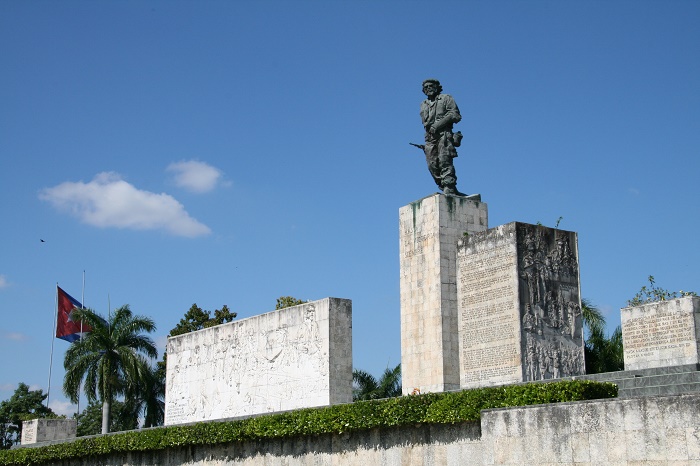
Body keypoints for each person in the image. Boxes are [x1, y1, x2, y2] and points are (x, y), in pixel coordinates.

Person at [419, 79, 464, 195]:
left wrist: (438, 125)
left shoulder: (446, 98)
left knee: (445, 161)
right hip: (430, 138)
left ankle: (449, 186)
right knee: (431, 164)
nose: (428, 88)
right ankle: (443, 184)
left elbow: (455, 115)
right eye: (426, 87)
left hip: (444, 134)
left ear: (437, 87)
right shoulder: (423, 104)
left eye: (431, 86)